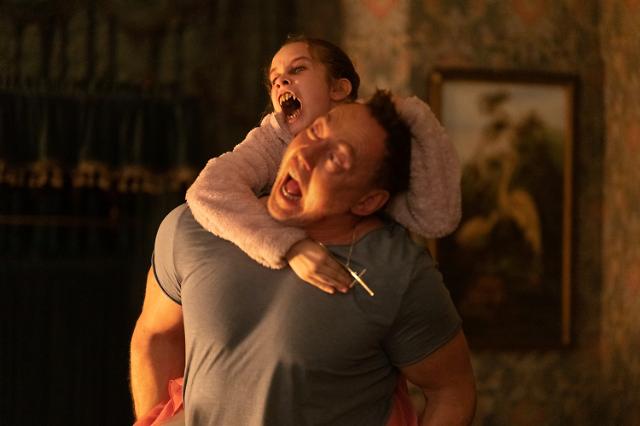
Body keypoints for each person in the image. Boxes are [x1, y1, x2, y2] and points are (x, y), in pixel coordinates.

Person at [130, 90, 476, 425]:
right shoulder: (195, 225)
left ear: (367, 202)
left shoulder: (397, 272)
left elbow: (452, 391)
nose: (306, 156)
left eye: (335, 159)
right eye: (314, 132)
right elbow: (156, 336)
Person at [185, 36, 461, 294]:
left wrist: (412, 111)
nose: (281, 82)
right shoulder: (271, 139)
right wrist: (290, 246)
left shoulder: (374, 146)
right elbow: (209, 190)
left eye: (297, 69)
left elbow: (437, 219)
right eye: (274, 79)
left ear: (339, 88)